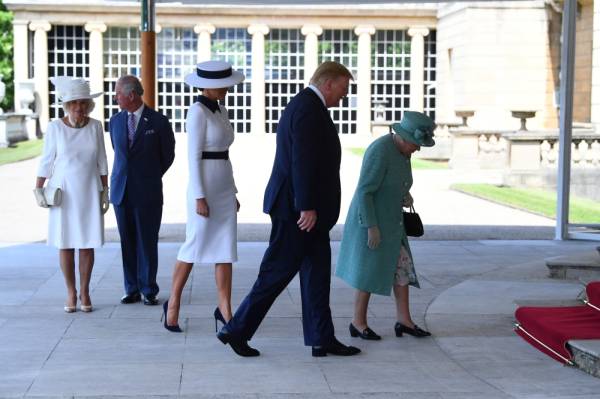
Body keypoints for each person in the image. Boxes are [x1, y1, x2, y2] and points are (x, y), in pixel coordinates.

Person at [217, 61, 361, 358]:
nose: (344, 97)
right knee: (276, 273)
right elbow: (302, 161)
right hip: (298, 212)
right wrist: (306, 206)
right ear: (329, 83)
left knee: (317, 276)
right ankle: (236, 329)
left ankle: (322, 338)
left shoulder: (308, 105)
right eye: (344, 89)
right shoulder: (308, 108)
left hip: (309, 213)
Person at [335, 111, 436, 340]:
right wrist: (371, 227)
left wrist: (405, 194)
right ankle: (358, 322)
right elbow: (365, 191)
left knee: (402, 269)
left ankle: (404, 321)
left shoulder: (403, 151)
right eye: (416, 143)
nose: (418, 149)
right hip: (373, 222)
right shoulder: (380, 150)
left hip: (393, 223)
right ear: (402, 136)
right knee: (368, 272)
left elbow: (393, 181)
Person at [162, 60, 245, 333]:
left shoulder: (221, 110)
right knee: (193, 245)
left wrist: (232, 191)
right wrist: (199, 195)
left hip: (222, 184)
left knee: (225, 249)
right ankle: (172, 303)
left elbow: (226, 154)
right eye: (223, 85)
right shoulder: (197, 111)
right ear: (208, 87)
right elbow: (192, 157)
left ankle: (225, 310)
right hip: (204, 187)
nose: (228, 88)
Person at [34, 76, 109, 313]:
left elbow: (102, 161)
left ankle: (85, 290)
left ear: (88, 105)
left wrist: (105, 190)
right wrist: (39, 188)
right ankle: (71, 291)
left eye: (84, 103)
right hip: (63, 192)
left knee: (87, 244)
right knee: (65, 243)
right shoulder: (55, 127)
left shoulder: (96, 126)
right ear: (67, 105)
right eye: (75, 103)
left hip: (89, 190)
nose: (80, 108)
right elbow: (47, 161)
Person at [109, 75, 176, 306]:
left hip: (147, 192)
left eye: (118, 93)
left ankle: (149, 289)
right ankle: (131, 289)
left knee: (147, 241)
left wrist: (149, 176)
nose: (115, 97)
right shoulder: (115, 121)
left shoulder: (158, 122)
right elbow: (119, 153)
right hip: (121, 192)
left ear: (132, 95)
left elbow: (168, 156)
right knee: (126, 241)